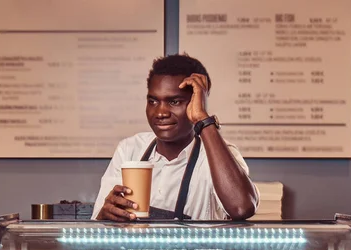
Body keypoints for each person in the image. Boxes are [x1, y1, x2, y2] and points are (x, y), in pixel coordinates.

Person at [92, 54, 259, 221]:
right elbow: (96, 227)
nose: (160, 113)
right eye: (153, 101)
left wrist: (203, 119)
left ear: (196, 102)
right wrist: (104, 216)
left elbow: (242, 208)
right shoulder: (130, 149)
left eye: (174, 102)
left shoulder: (219, 155)